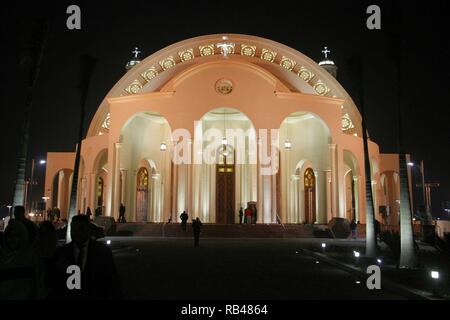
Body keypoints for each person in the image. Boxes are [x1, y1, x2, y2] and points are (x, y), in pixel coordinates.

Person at [54, 215, 122, 299]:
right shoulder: (62, 253)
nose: (77, 232)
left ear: (88, 230)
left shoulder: (102, 252)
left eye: (81, 228)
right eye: (74, 229)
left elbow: (112, 281)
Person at [0, 220, 45, 299]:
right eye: (9, 236)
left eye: (16, 236)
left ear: (23, 237)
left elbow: (38, 283)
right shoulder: (3, 257)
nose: (12, 239)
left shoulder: (31, 257)